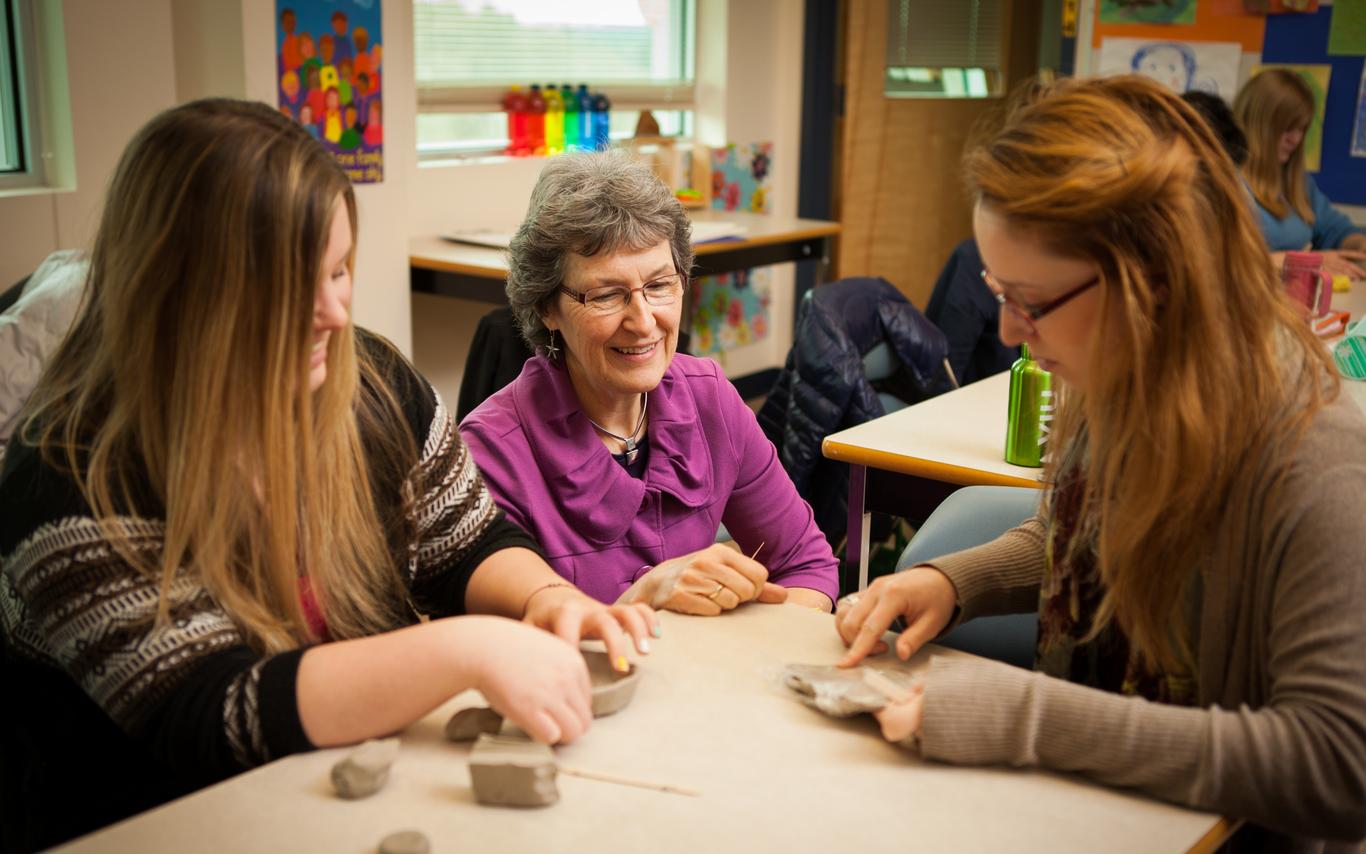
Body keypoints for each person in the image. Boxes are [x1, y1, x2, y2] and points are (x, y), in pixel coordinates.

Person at [0, 99, 654, 850]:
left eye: (340, 269)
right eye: (288, 287)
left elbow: (465, 543)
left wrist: (547, 599)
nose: (334, 312)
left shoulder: (370, 383)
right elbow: (214, 715)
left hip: (347, 793)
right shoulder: (64, 472)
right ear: (180, 293)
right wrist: (469, 648)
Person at [835, 76, 1366, 849]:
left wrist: (1027, 718)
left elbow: (1340, 764)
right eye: (997, 292)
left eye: (1033, 301)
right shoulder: (1114, 378)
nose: (1011, 333)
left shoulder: (1316, 460)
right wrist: (954, 581)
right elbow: (1074, 541)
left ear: (1152, 280)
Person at [460, 152, 839, 616]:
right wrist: (640, 603)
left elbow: (807, 565)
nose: (643, 323)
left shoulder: (709, 397)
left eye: (660, 285)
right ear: (547, 309)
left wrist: (751, 665)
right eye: (606, 295)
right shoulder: (493, 452)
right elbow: (502, 655)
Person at [1234, 68, 1366, 279]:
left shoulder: (1298, 183)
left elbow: (1335, 229)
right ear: (1258, 124)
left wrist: (1359, 244)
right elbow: (1223, 263)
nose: (1295, 139)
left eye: (1302, 129)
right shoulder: (1226, 184)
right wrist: (1306, 262)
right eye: (1287, 128)